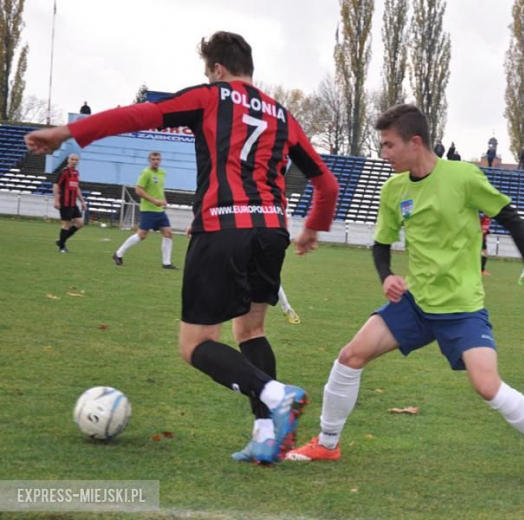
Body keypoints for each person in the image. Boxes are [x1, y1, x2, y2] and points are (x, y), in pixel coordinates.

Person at [25, 31, 340, 465]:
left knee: (195, 344)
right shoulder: (283, 115)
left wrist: (68, 131)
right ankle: (267, 435)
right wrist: (313, 228)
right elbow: (326, 181)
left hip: (224, 225)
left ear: (217, 69)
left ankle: (275, 394)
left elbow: (140, 115)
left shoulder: (212, 97)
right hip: (271, 230)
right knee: (251, 331)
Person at [285, 104, 524, 495]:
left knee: (488, 386)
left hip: (462, 309)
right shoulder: (393, 188)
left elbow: (511, 218)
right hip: (415, 303)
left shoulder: (462, 177)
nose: (384, 153)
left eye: (389, 145)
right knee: (350, 357)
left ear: (415, 142)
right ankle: (327, 444)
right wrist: (387, 277)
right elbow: (380, 246)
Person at [112, 152, 177, 269]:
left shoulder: (162, 172)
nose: (155, 161)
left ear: (160, 160)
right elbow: (138, 190)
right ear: (149, 160)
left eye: (157, 159)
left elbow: (160, 189)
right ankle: (118, 254)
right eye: (153, 159)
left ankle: (166, 263)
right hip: (148, 210)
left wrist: (164, 200)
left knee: (168, 233)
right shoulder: (146, 173)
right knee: (142, 235)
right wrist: (153, 201)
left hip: (159, 211)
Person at [53, 154, 87, 253]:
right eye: (72, 159)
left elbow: (77, 188)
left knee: (80, 223)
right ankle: (61, 247)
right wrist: (56, 200)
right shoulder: (64, 172)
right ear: (68, 160)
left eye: (76, 160)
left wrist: (82, 201)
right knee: (66, 225)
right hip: (65, 202)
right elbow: (55, 185)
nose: (74, 161)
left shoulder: (76, 172)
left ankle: (61, 241)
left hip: (73, 203)